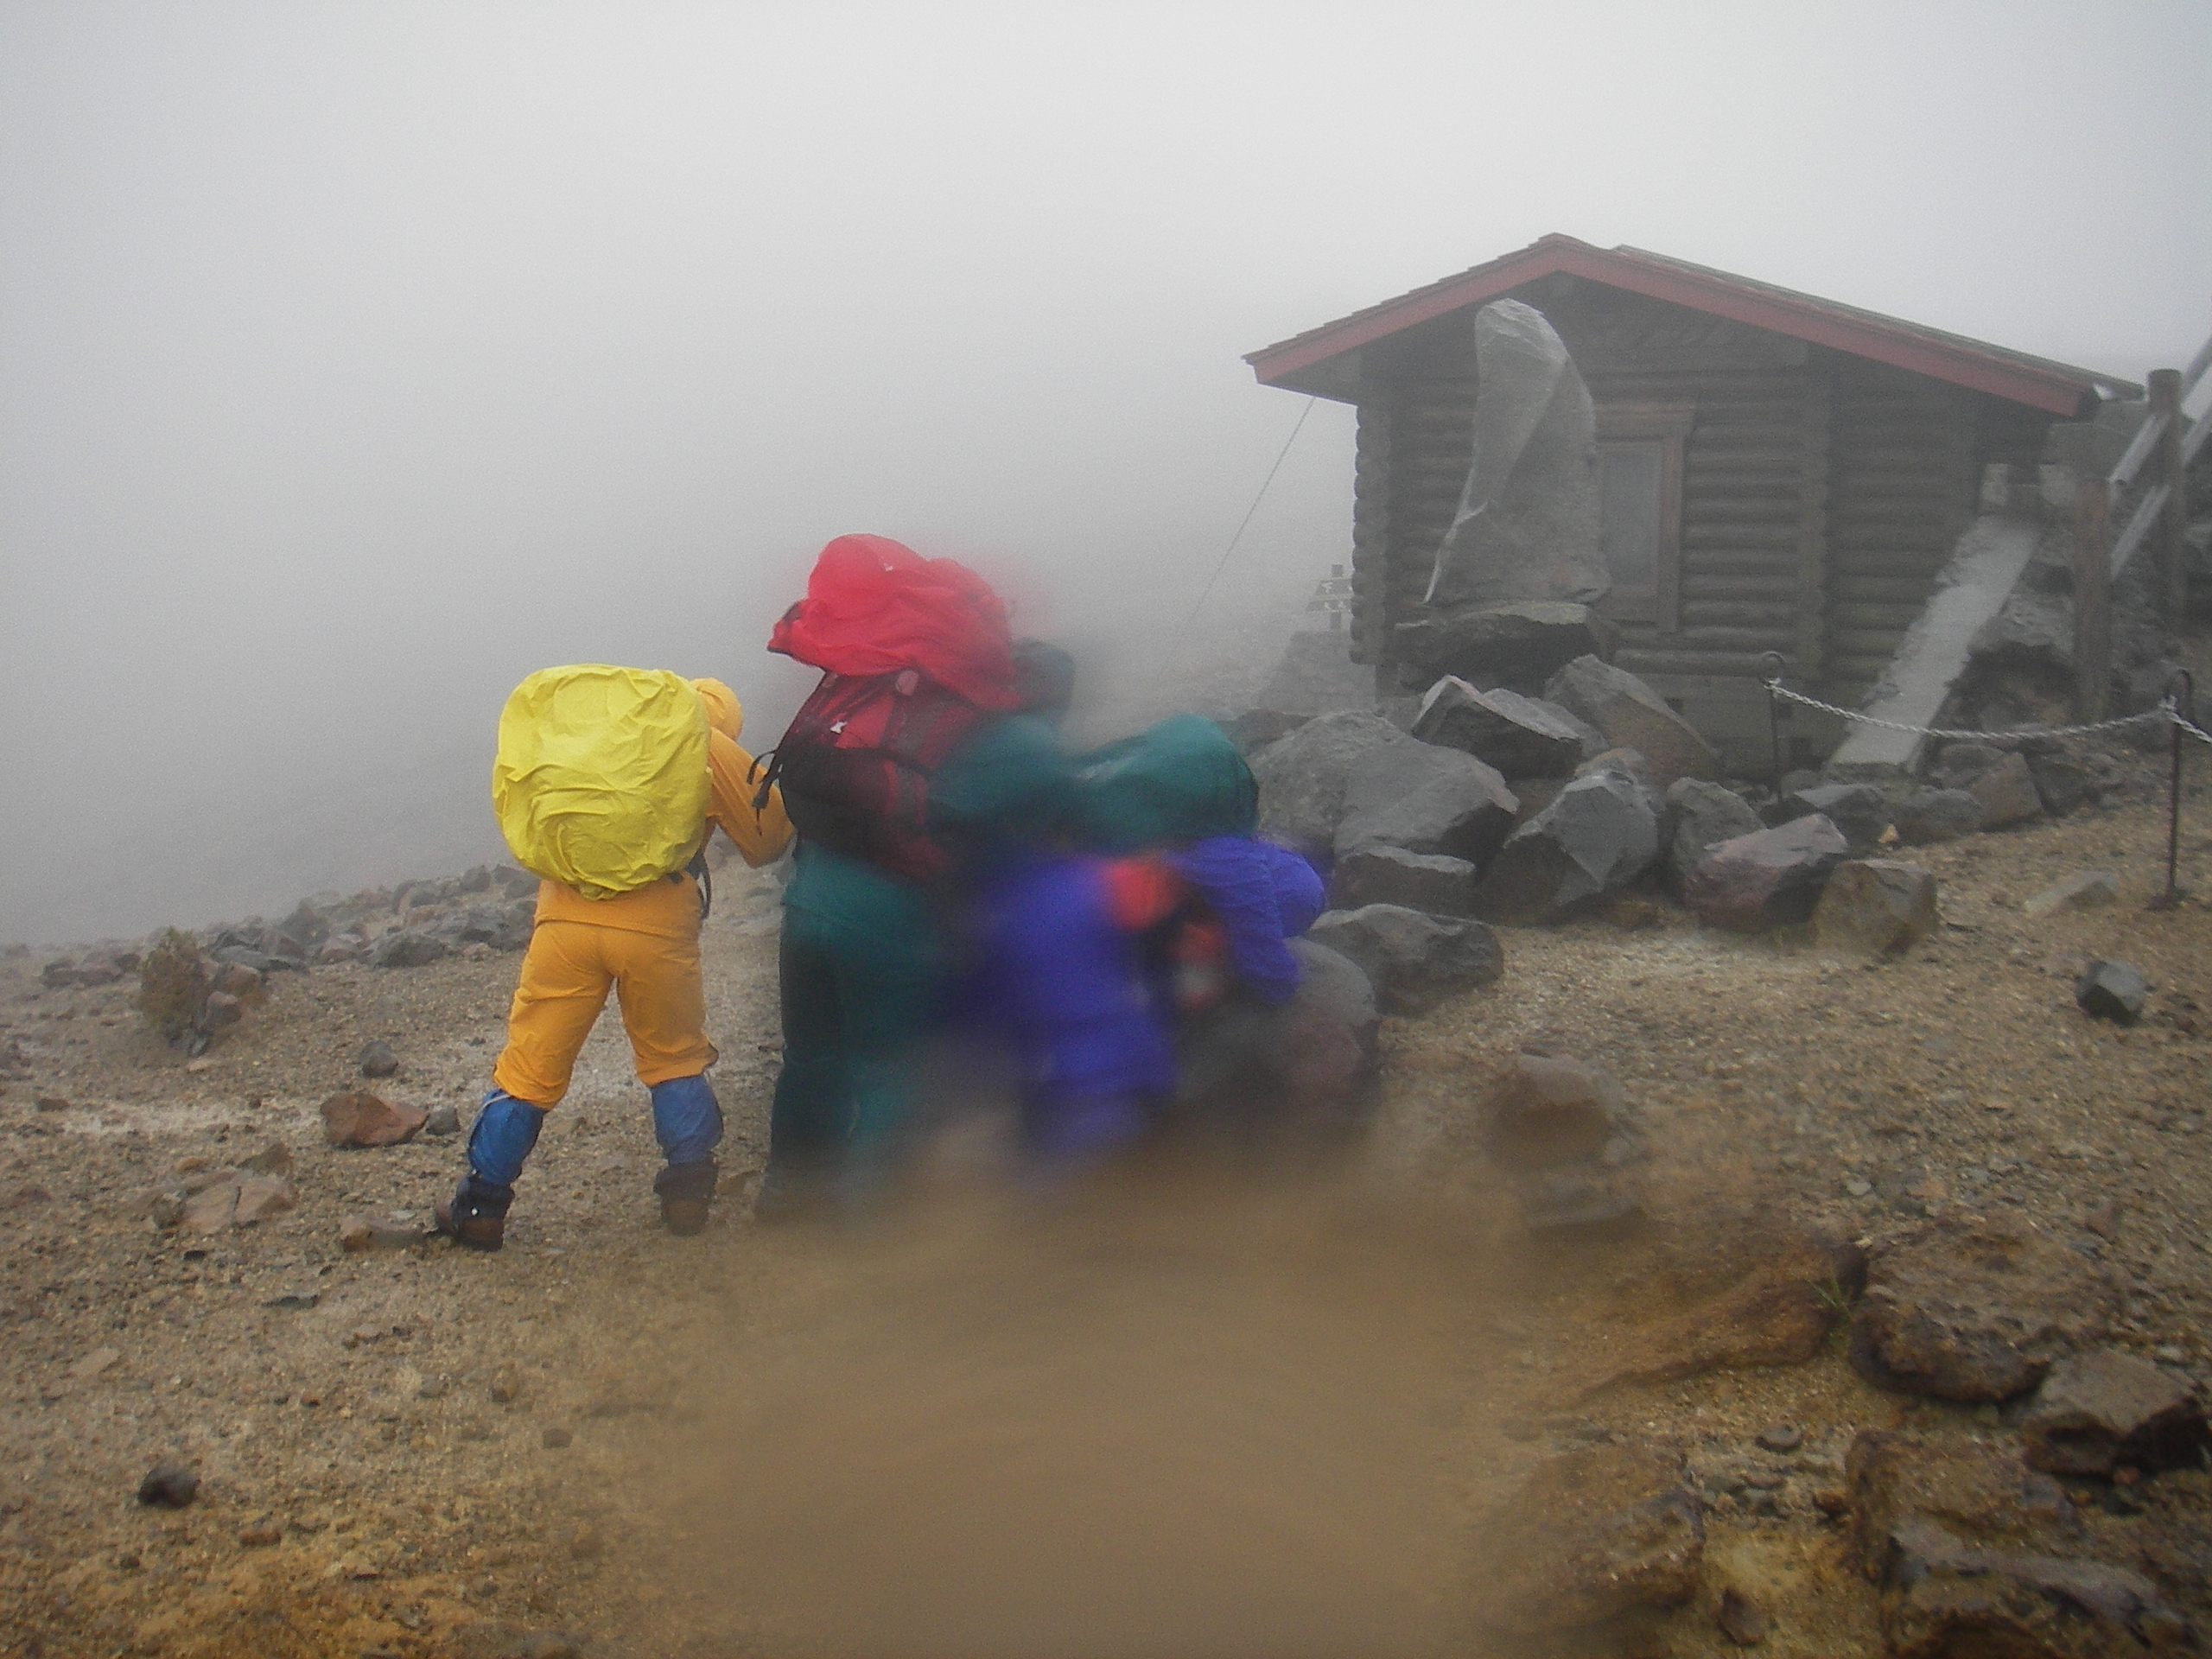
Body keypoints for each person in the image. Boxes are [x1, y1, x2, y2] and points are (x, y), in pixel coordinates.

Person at [436, 678, 791, 1250]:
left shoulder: (595, 736)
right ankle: (687, 1193)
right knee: (673, 1055)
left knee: (531, 1063)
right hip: (657, 929)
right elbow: (767, 839)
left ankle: (482, 1204)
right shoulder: (706, 743)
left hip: (565, 920)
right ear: (724, 721)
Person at [754, 536, 1036, 1218]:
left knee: (811, 1056)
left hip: (810, 896)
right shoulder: (972, 711)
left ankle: (788, 1197)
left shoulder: (858, 679)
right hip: (888, 908)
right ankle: (868, 1220)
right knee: (887, 1066)